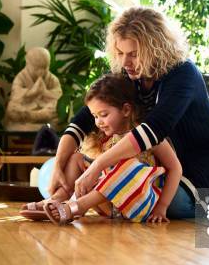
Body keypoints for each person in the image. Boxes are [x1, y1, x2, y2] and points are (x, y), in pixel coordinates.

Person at [47, 7, 209, 218]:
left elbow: (153, 130)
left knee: (166, 205)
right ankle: (53, 202)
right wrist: (58, 165)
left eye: (134, 55)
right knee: (130, 192)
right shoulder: (129, 74)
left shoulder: (183, 74)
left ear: (156, 49)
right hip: (163, 165)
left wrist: (97, 167)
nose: (124, 62)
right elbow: (83, 119)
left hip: (206, 161)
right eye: (120, 53)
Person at [21, 74, 182, 224]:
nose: (98, 122)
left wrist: (162, 207)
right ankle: (57, 200)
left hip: (137, 202)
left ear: (126, 110)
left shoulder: (147, 135)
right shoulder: (106, 138)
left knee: (128, 166)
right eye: (95, 116)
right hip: (107, 204)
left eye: (103, 115)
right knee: (77, 158)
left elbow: (175, 167)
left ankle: (75, 207)